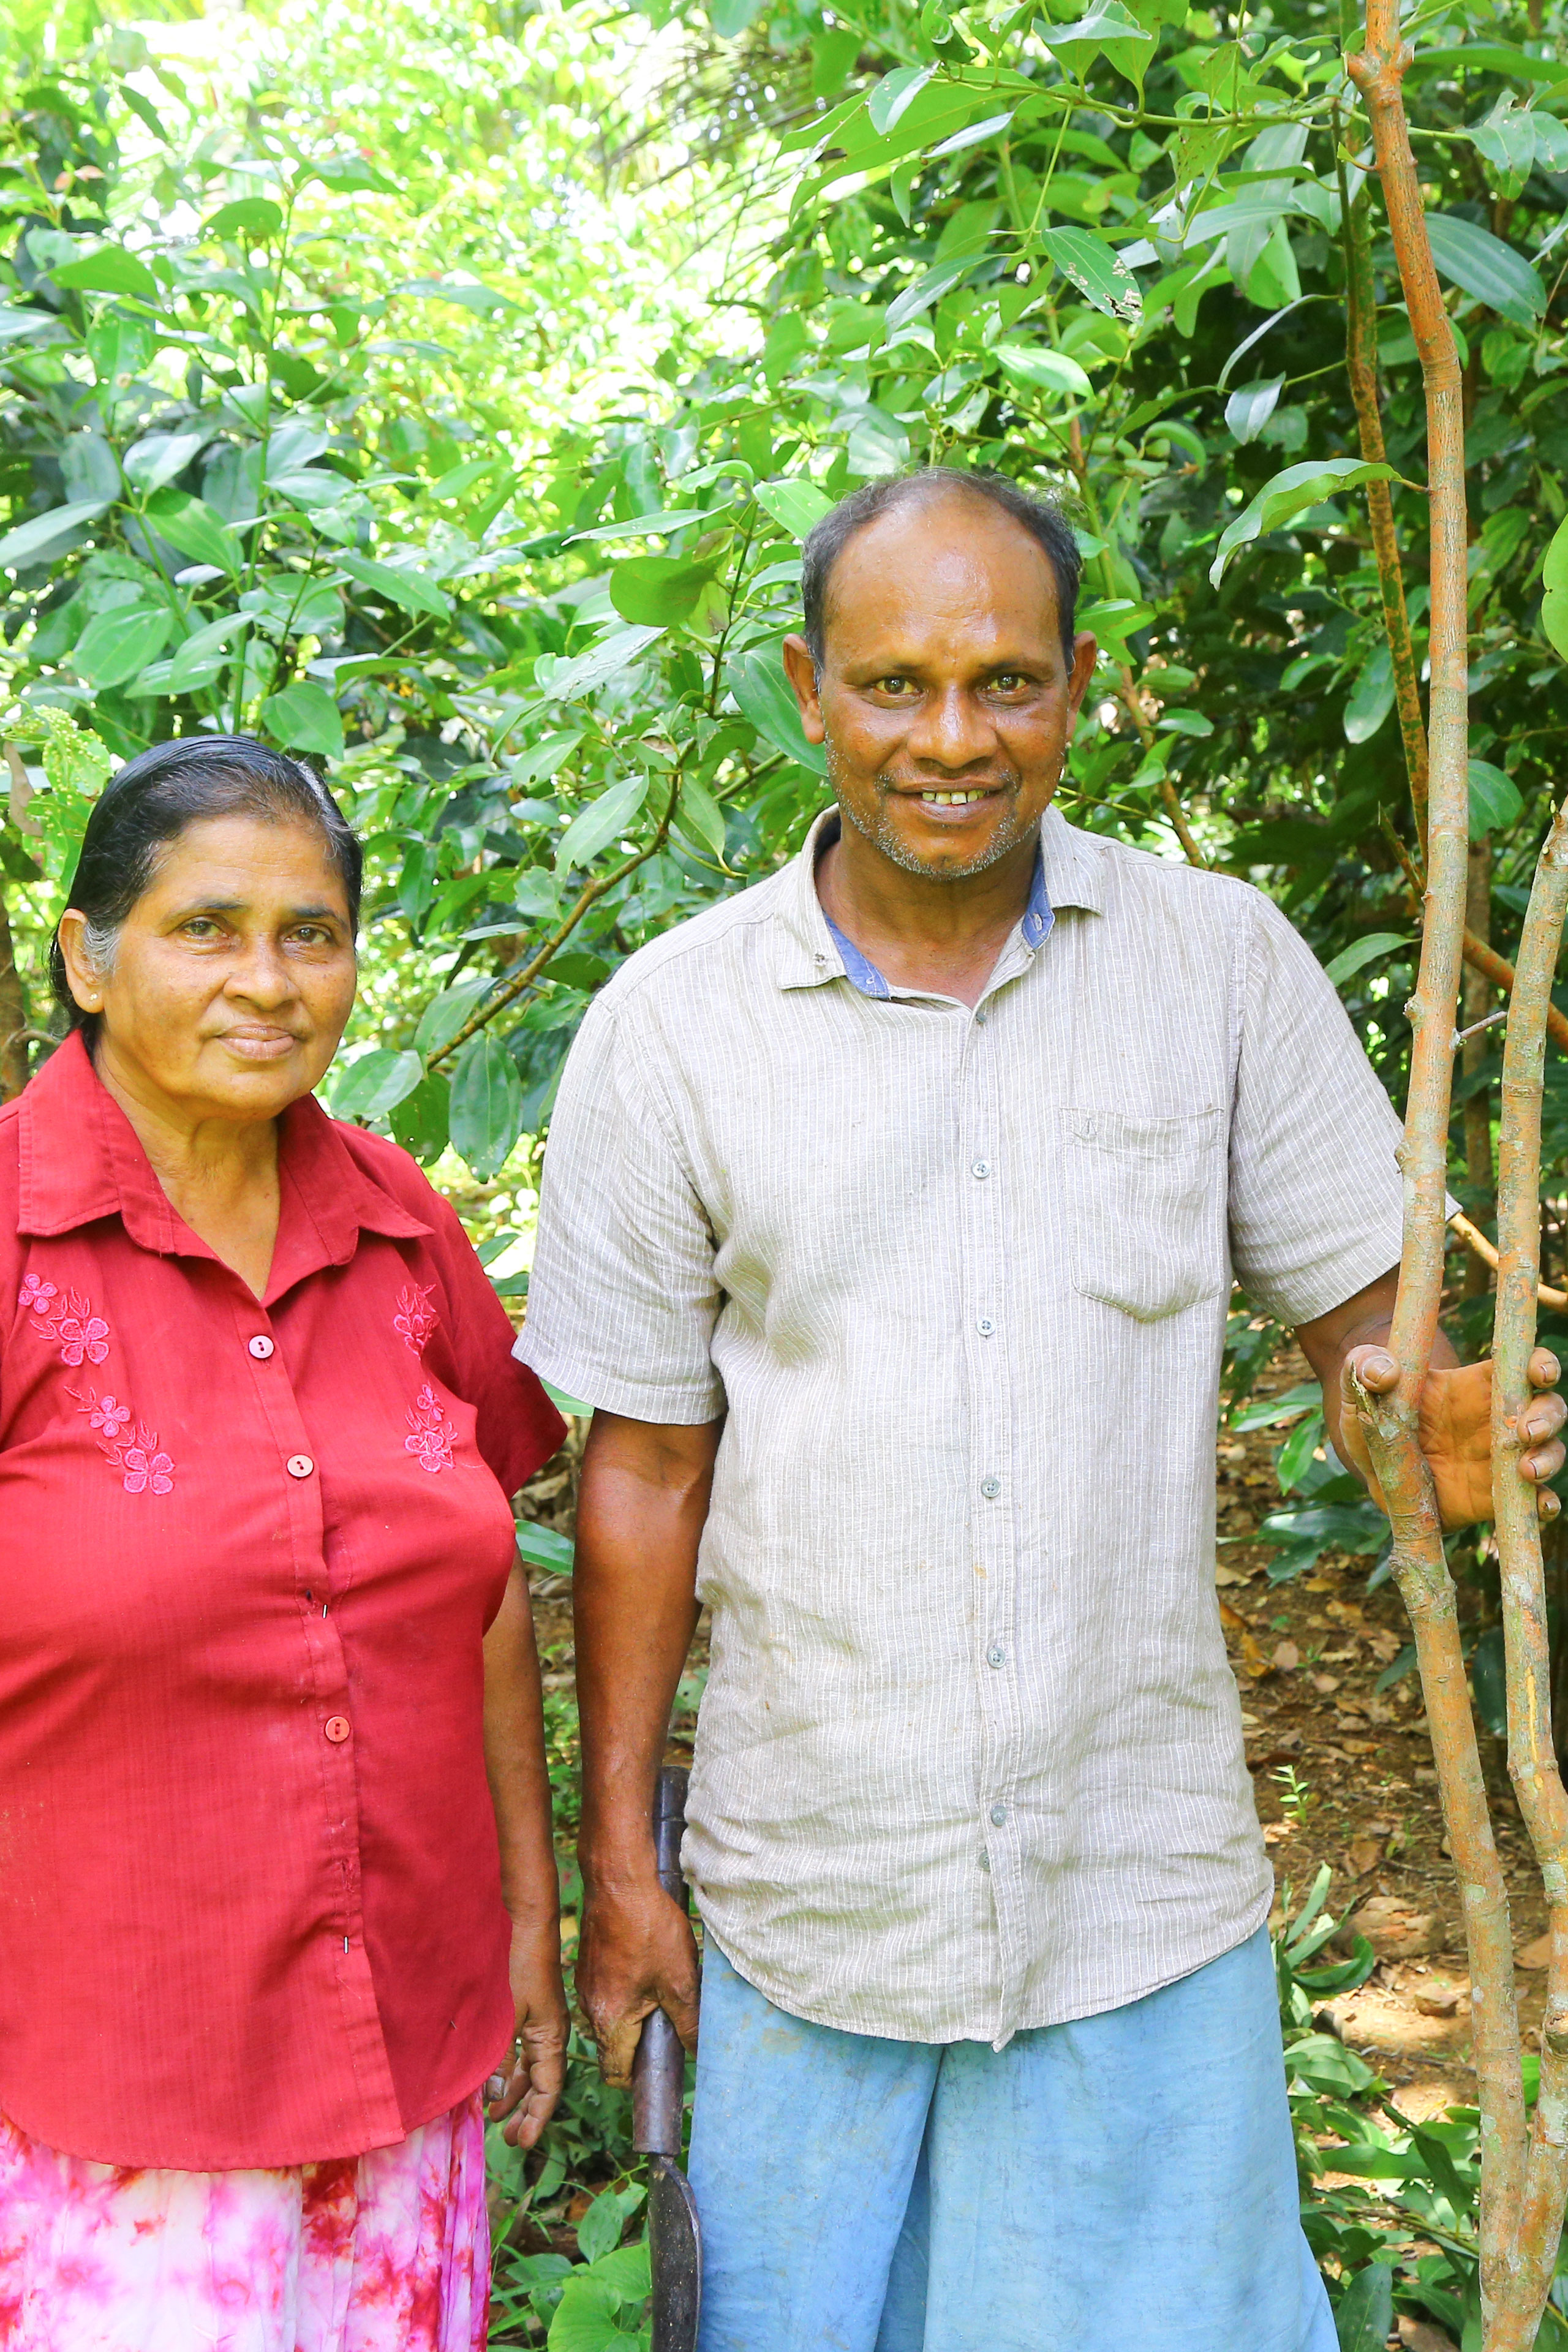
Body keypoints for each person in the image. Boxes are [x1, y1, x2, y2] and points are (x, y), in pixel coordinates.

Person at [519, 467, 1564, 2351]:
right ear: (806, 691)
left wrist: (1421, 1430)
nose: (951, 738)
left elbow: (1364, 1344)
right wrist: (622, 1869)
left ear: (1078, 684)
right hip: (804, 1900)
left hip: (1134, 1889)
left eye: (1005, 681)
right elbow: (648, 1470)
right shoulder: (674, 1027)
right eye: (896, 682)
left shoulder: (1219, 964)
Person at [0, 737, 568, 2352]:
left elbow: (479, 1599)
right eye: (208, 927)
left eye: (310, 933)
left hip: (404, 2060)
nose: (268, 980)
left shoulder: (399, 1223)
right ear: (89, 956)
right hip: (104, 2106)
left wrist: (529, 1920)